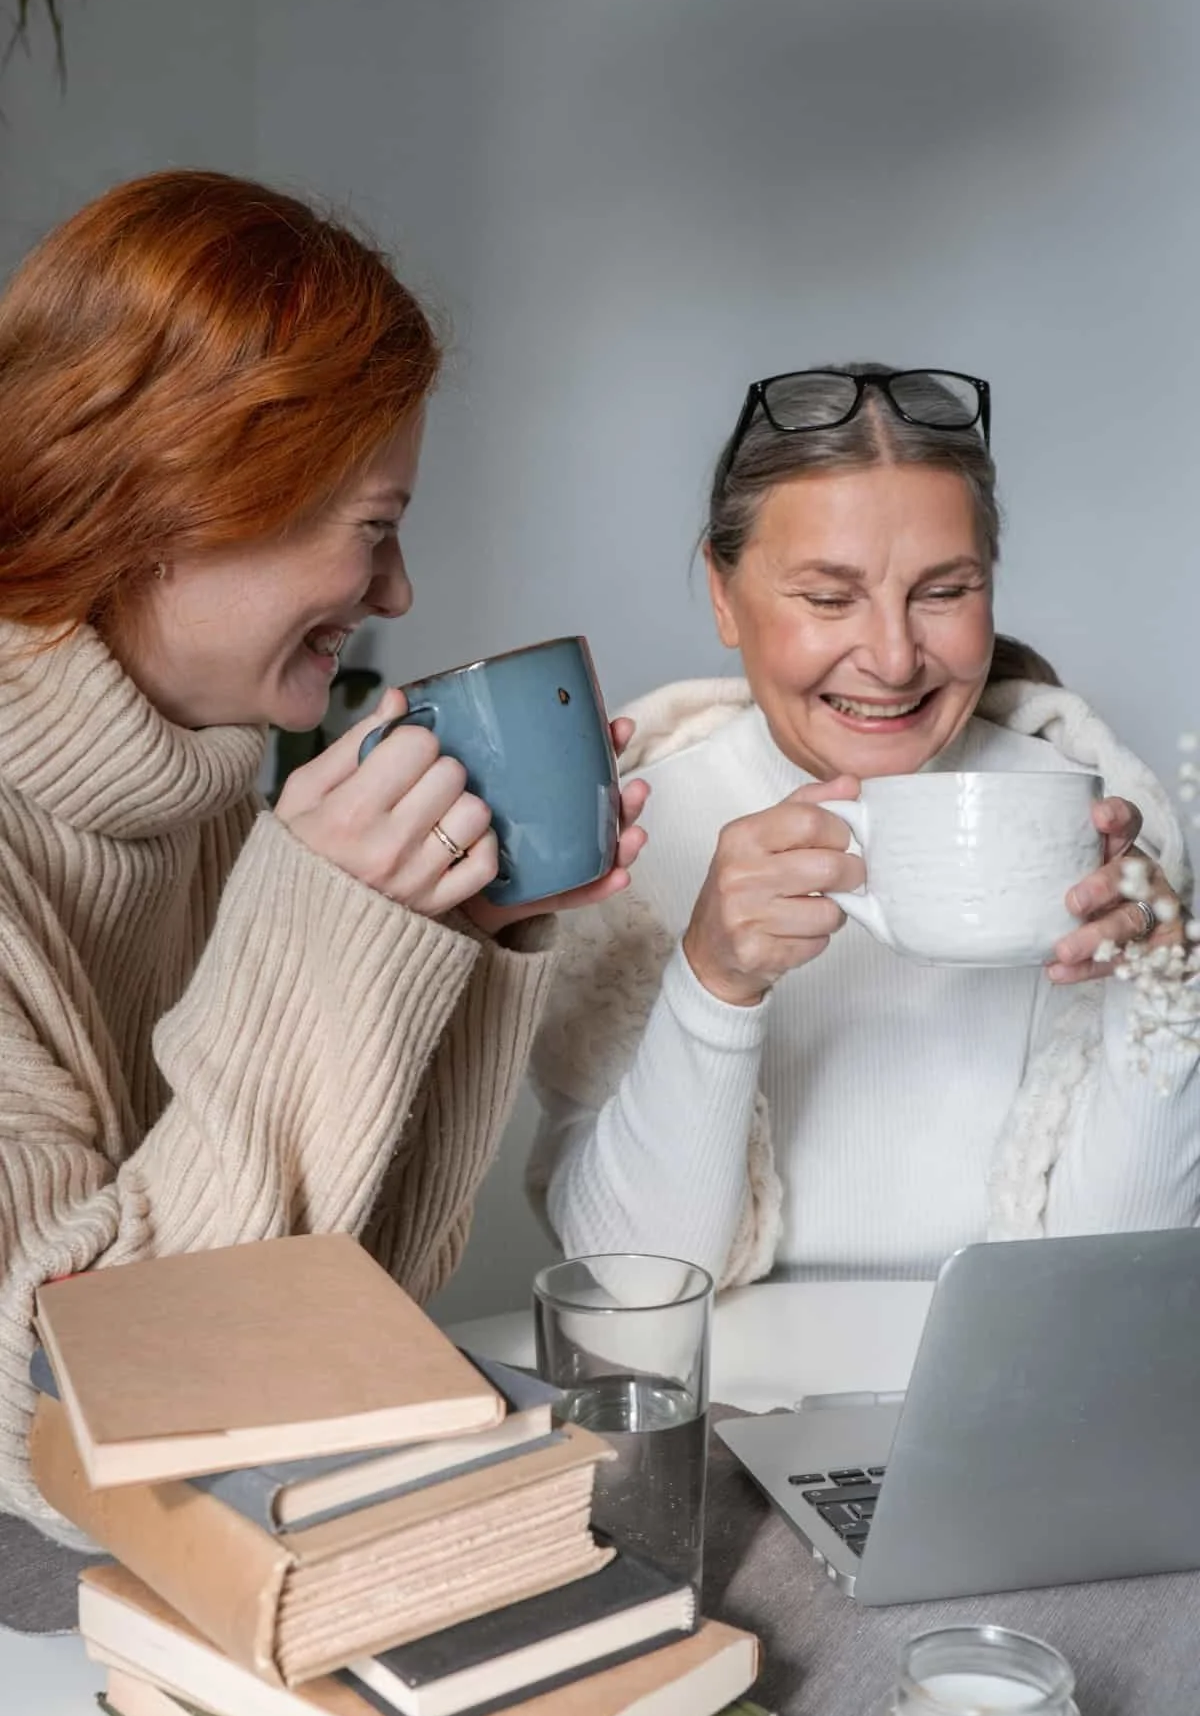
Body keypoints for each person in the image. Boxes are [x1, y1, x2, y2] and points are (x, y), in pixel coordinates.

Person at [0, 169, 647, 1536]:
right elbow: (61, 1426)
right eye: (376, 529)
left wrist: (441, 950)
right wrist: (320, 924)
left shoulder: (201, 800)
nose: (399, 593)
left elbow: (342, 1318)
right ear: (184, 495)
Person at [529, 365, 1198, 1290]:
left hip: (1010, 1404)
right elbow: (632, 1286)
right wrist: (713, 981)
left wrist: (1160, 993)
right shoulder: (638, 842)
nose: (891, 658)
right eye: (830, 597)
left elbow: (1120, 1276)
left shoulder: (1093, 824)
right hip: (734, 1415)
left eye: (943, 591)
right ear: (724, 596)